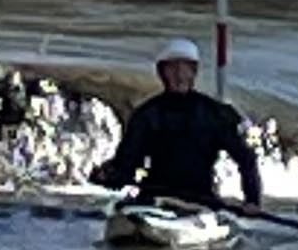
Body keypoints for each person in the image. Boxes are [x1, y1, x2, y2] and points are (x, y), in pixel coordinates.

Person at [87, 39, 262, 210]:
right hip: (155, 198)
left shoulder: (216, 114)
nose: (179, 75)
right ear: (162, 73)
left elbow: (246, 159)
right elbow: (127, 166)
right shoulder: (146, 115)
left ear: (194, 72)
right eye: (173, 68)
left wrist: (252, 201)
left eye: (185, 68)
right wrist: (104, 176)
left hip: (201, 201)